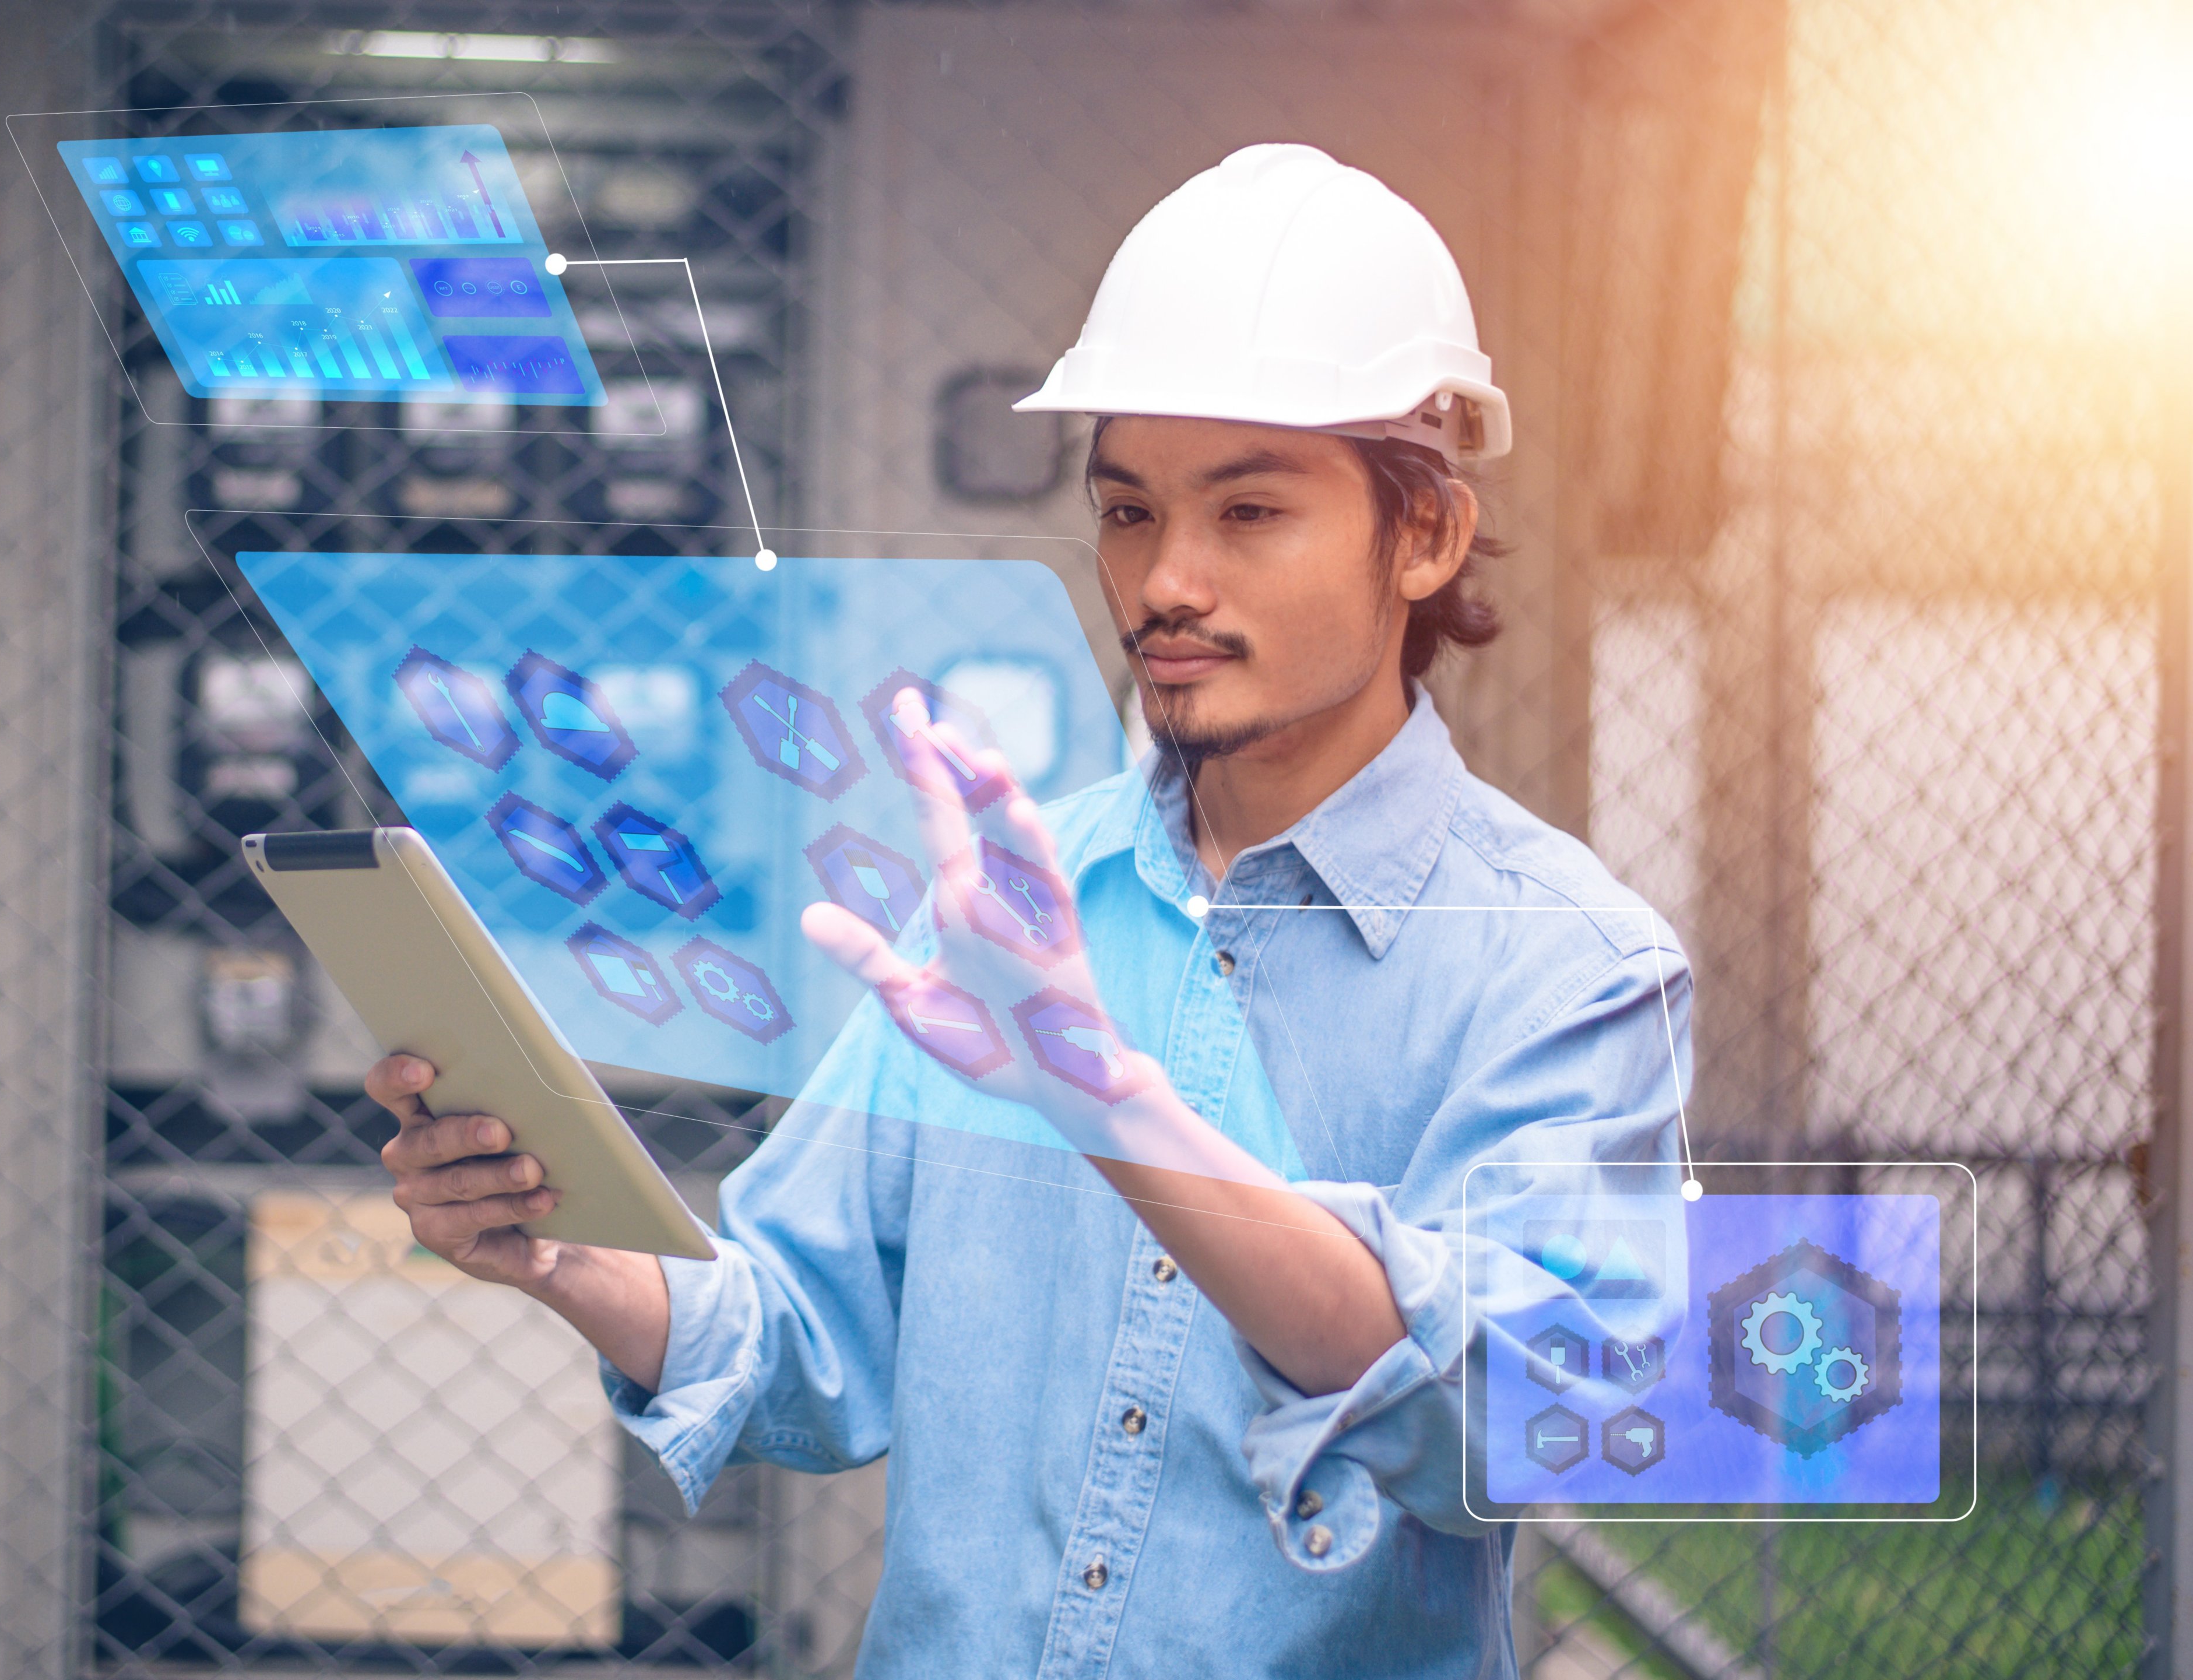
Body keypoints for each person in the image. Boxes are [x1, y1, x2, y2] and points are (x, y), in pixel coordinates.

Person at [371, 143, 1687, 1677]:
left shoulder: (1569, 967)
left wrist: (1099, 1090)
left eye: (1249, 513)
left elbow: (1517, 1419)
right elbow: (796, 1330)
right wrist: (556, 1252)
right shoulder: (1001, 907)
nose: (1168, 581)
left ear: (1427, 535)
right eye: (1129, 513)